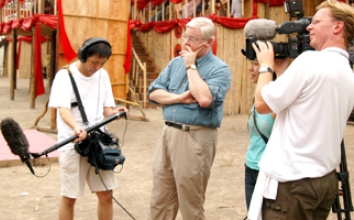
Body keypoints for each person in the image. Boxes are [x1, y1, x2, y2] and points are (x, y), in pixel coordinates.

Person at [248, 0, 354, 220]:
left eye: (316, 21)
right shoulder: (347, 72)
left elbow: (262, 104)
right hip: (324, 179)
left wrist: (266, 65)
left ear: (337, 26)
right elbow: (293, 108)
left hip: (293, 183)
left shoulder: (310, 62)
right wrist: (281, 70)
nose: (309, 27)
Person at [147, 17, 231, 220]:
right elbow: (153, 94)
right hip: (168, 133)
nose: (185, 42)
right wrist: (178, 98)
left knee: (190, 203)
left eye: (192, 39)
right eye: (185, 36)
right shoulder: (175, 63)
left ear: (208, 42)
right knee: (160, 199)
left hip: (194, 137)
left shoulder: (220, 69)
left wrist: (191, 67)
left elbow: (203, 98)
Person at [48, 38, 128, 220]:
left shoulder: (103, 75)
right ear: (83, 55)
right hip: (73, 142)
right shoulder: (65, 75)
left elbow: (106, 109)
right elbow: (63, 109)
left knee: (107, 195)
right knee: (70, 197)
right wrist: (76, 128)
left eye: (102, 63)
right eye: (94, 62)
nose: (97, 67)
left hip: (98, 142)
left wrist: (115, 112)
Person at [242, 56, 289, 211]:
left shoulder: (278, 101)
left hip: (269, 172)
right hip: (251, 167)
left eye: (256, 64)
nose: (250, 68)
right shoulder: (258, 97)